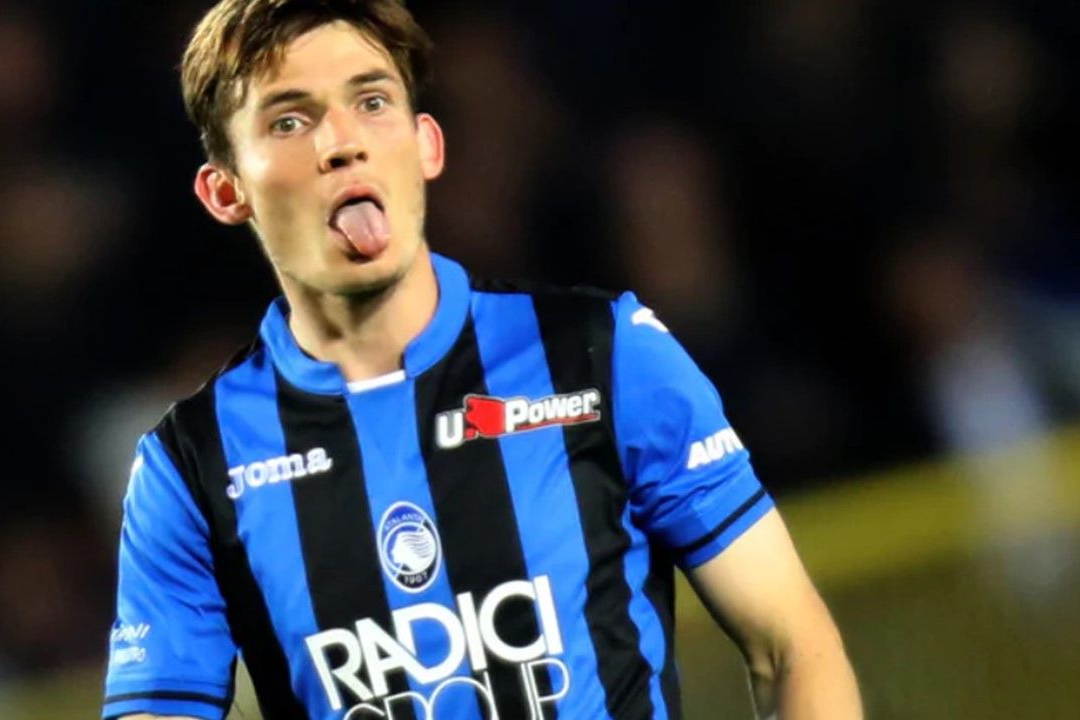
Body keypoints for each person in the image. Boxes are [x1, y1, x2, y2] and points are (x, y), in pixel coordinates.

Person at [102, 1, 862, 719]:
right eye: (290, 120)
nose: (342, 142)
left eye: (371, 101)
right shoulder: (190, 468)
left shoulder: (603, 355)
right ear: (225, 191)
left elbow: (792, 645)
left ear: (426, 145)